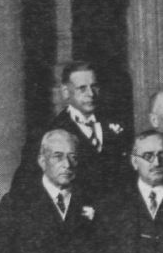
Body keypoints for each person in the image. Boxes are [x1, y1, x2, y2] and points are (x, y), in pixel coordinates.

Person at [12, 61, 132, 199]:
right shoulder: (48, 132)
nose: (91, 94)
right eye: (82, 88)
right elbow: (24, 184)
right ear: (65, 92)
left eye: (95, 87)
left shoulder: (117, 126)